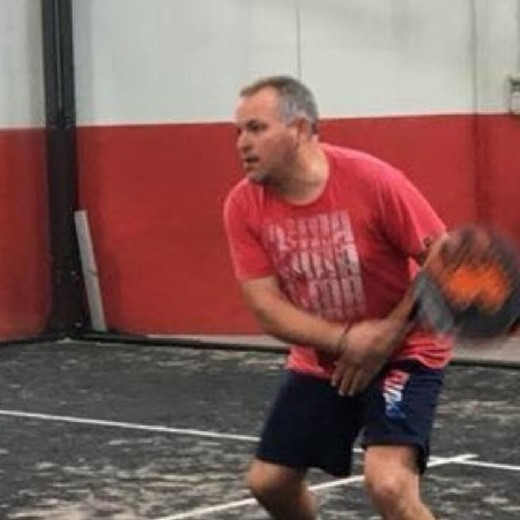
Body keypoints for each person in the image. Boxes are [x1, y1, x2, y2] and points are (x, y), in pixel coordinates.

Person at [223, 75, 451, 520]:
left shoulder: (373, 180)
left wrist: (388, 334)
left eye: (256, 128)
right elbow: (266, 308)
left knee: (389, 484)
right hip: (324, 359)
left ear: (300, 129)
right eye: (238, 131)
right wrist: (347, 340)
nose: (242, 144)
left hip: (408, 349)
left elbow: (443, 258)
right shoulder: (243, 205)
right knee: (270, 484)